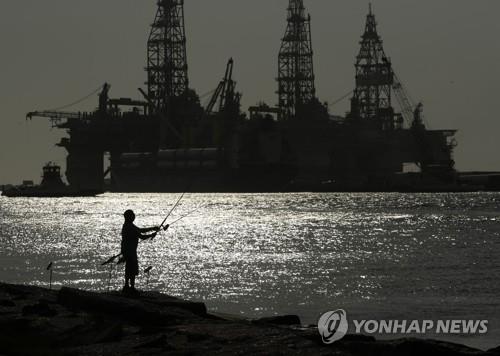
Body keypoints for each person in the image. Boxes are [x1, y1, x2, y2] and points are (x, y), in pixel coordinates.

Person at [121, 209, 166, 292]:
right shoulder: (130, 227)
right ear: (129, 217)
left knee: (129, 268)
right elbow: (141, 236)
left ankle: (127, 286)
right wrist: (151, 235)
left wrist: (153, 228)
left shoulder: (128, 225)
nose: (134, 216)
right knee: (132, 269)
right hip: (130, 251)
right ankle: (131, 288)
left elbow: (141, 230)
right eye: (132, 215)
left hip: (127, 250)